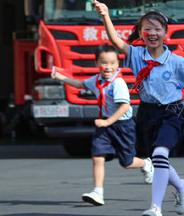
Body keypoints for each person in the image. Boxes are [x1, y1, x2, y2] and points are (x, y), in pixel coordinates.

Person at [94, 3, 184, 216]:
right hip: (147, 112)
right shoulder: (136, 55)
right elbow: (116, 41)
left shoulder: (177, 61)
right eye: (147, 29)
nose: (153, 33)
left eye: (158, 29)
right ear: (140, 33)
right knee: (158, 158)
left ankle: (155, 208)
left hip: (172, 112)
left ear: (166, 34)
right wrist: (106, 15)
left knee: (159, 154)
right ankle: (180, 185)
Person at [51, 45, 154, 206]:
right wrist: (60, 77)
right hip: (105, 125)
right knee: (98, 156)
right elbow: (79, 85)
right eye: (104, 63)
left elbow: (125, 107)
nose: (108, 67)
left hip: (123, 126)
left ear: (118, 64)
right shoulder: (96, 80)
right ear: (96, 63)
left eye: (113, 63)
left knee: (127, 162)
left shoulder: (117, 83)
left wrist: (107, 122)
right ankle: (98, 191)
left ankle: (146, 163)